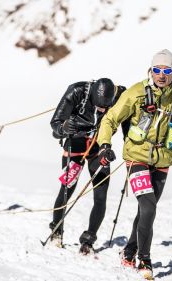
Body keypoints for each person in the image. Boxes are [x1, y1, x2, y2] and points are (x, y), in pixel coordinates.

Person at [96, 49, 172, 280]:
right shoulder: (136, 92)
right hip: (137, 156)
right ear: (150, 70)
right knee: (149, 207)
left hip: (163, 160)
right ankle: (145, 259)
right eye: (157, 70)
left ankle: (129, 251)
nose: (161, 75)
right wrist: (104, 145)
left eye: (167, 71)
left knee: (145, 210)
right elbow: (110, 119)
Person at [49, 78, 128, 255]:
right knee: (67, 189)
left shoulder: (121, 94)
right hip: (75, 144)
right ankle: (56, 231)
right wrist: (64, 128)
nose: (101, 110)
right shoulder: (76, 91)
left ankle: (88, 240)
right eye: (98, 106)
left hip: (99, 147)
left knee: (101, 195)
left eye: (105, 107)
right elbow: (55, 124)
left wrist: (129, 144)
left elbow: (129, 120)